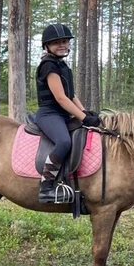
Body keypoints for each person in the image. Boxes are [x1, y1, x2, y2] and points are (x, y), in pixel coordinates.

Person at [34, 24, 101, 204]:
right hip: (49, 114)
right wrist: (83, 117)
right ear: (47, 46)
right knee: (64, 141)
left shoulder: (62, 65)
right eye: (56, 43)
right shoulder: (49, 65)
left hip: (62, 114)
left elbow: (71, 95)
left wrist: (84, 111)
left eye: (64, 41)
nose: (62, 45)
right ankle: (46, 187)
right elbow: (61, 98)